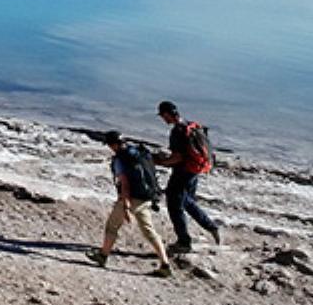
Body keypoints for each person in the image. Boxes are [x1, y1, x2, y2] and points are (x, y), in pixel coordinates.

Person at [85, 131, 172, 277]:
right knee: (149, 230)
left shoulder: (121, 159)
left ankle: (103, 255)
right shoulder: (139, 152)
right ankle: (165, 264)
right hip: (147, 197)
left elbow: (124, 183)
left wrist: (125, 204)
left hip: (132, 198)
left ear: (113, 144)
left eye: (109, 145)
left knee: (112, 226)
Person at [154, 100, 223, 254]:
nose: (163, 119)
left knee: (174, 204)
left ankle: (184, 242)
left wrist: (162, 162)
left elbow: (178, 157)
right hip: (195, 169)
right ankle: (211, 226)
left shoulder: (177, 131)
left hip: (183, 171)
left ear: (167, 114)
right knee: (186, 200)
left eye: (162, 116)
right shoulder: (191, 125)